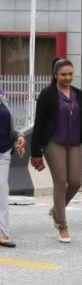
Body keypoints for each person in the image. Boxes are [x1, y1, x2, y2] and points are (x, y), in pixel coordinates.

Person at [30, 58, 82, 244]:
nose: (68, 77)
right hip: (54, 142)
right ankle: (62, 224)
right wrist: (35, 152)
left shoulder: (78, 94)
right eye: (63, 74)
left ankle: (56, 210)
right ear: (55, 75)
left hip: (74, 143)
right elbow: (39, 125)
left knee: (76, 182)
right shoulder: (47, 94)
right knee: (60, 181)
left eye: (70, 74)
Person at [0, 90, 27, 248]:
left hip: (3, 153)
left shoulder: (3, 99)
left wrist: (18, 137)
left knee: (2, 190)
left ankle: (3, 234)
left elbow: (9, 128)